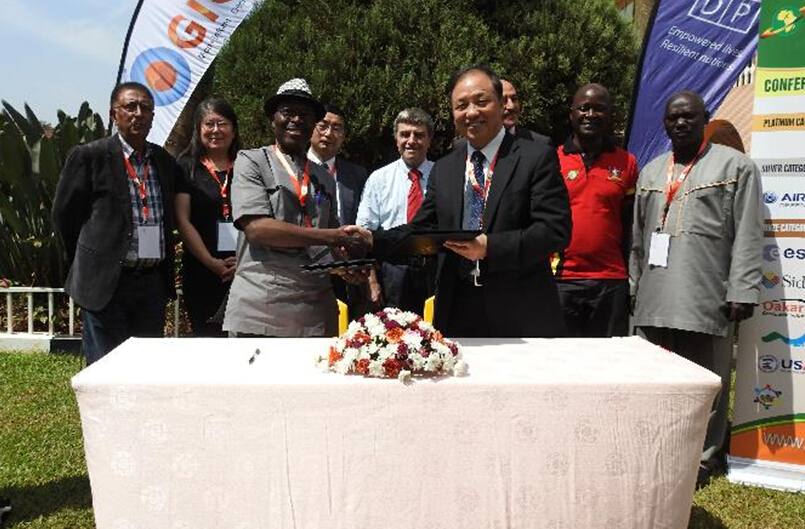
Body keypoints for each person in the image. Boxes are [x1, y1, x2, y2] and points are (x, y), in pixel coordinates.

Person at [355, 65, 571, 337]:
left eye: (481, 101)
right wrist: (371, 240)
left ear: (501, 104)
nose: (471, 112)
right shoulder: (445, 168)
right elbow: (422, 230)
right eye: (461, 105)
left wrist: (489, 247)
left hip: (520, 311)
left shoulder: (535, 158)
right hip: (457, 310)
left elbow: (554, 231)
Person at [630, 91, 763, 485]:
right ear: (665, 123)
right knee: (656, 376)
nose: (681, 123)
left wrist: (742, 289)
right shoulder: (652, 171)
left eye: (689, 116)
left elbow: (748, 231)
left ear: (705, 119)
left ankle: (704, 456)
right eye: (673, 117)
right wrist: (634, 283)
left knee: (708, 378)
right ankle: (659, 443)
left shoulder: (736, 167)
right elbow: (637, 236)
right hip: (654, 295)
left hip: (706, 294)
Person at [222, 79, 366, 337]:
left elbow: (328, 246)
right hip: (261, 306)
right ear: (273, 119)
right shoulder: (251, 161)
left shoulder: (324, 178)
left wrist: (346, 265)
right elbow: (257, 229)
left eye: (305, 114)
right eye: (288, 112)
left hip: (316, 311)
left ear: (313, 124)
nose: (296, 119)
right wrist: (333, 237)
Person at [52, 82, 180, 364]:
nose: (138, 113)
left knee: (145, 369)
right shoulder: (89, 156)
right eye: (130, 107)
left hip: (151, 284)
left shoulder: (163, 160)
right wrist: (89, 259)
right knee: (105, 369)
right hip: (105, 283)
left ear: (153, 116)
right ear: (114, 114)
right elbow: (65, 217)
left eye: (145, 108)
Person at [553, 84, 638, 337]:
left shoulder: (627, 162)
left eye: (599, 109)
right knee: (559, 357)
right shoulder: (552, 159)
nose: (590, 114)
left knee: (608, 358)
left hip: (610, 280)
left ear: (609, 115)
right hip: (561, 279)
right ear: (571, 113)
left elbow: (629, 224)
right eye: (584, 108)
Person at [356, 108, 436, 314]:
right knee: (396, 330)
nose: (411, 141)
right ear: (396, 139)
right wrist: (372, 280)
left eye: (419, 135)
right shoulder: (378, 179)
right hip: (393, 271)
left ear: (429, 140)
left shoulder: (442, 176)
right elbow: (364, 231)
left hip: (434, 270)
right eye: (405, 134)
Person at [175, 98, 241, 336]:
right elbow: (183, 220)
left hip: (244, 269)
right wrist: (210, 262)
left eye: (222, 124)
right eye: (209, 124)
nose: (216, 130)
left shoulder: (247, 165)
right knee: (208, 339)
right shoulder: (185, 167)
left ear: (233, 129)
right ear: (198, 129)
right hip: (201, 270)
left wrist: (244, 259)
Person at [307, 104, 369, 225]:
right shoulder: (293, 165)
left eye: (336, 128)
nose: (328, 133)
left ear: (343, 136)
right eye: (323, 126)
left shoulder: (357, 176)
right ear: (311, 129)